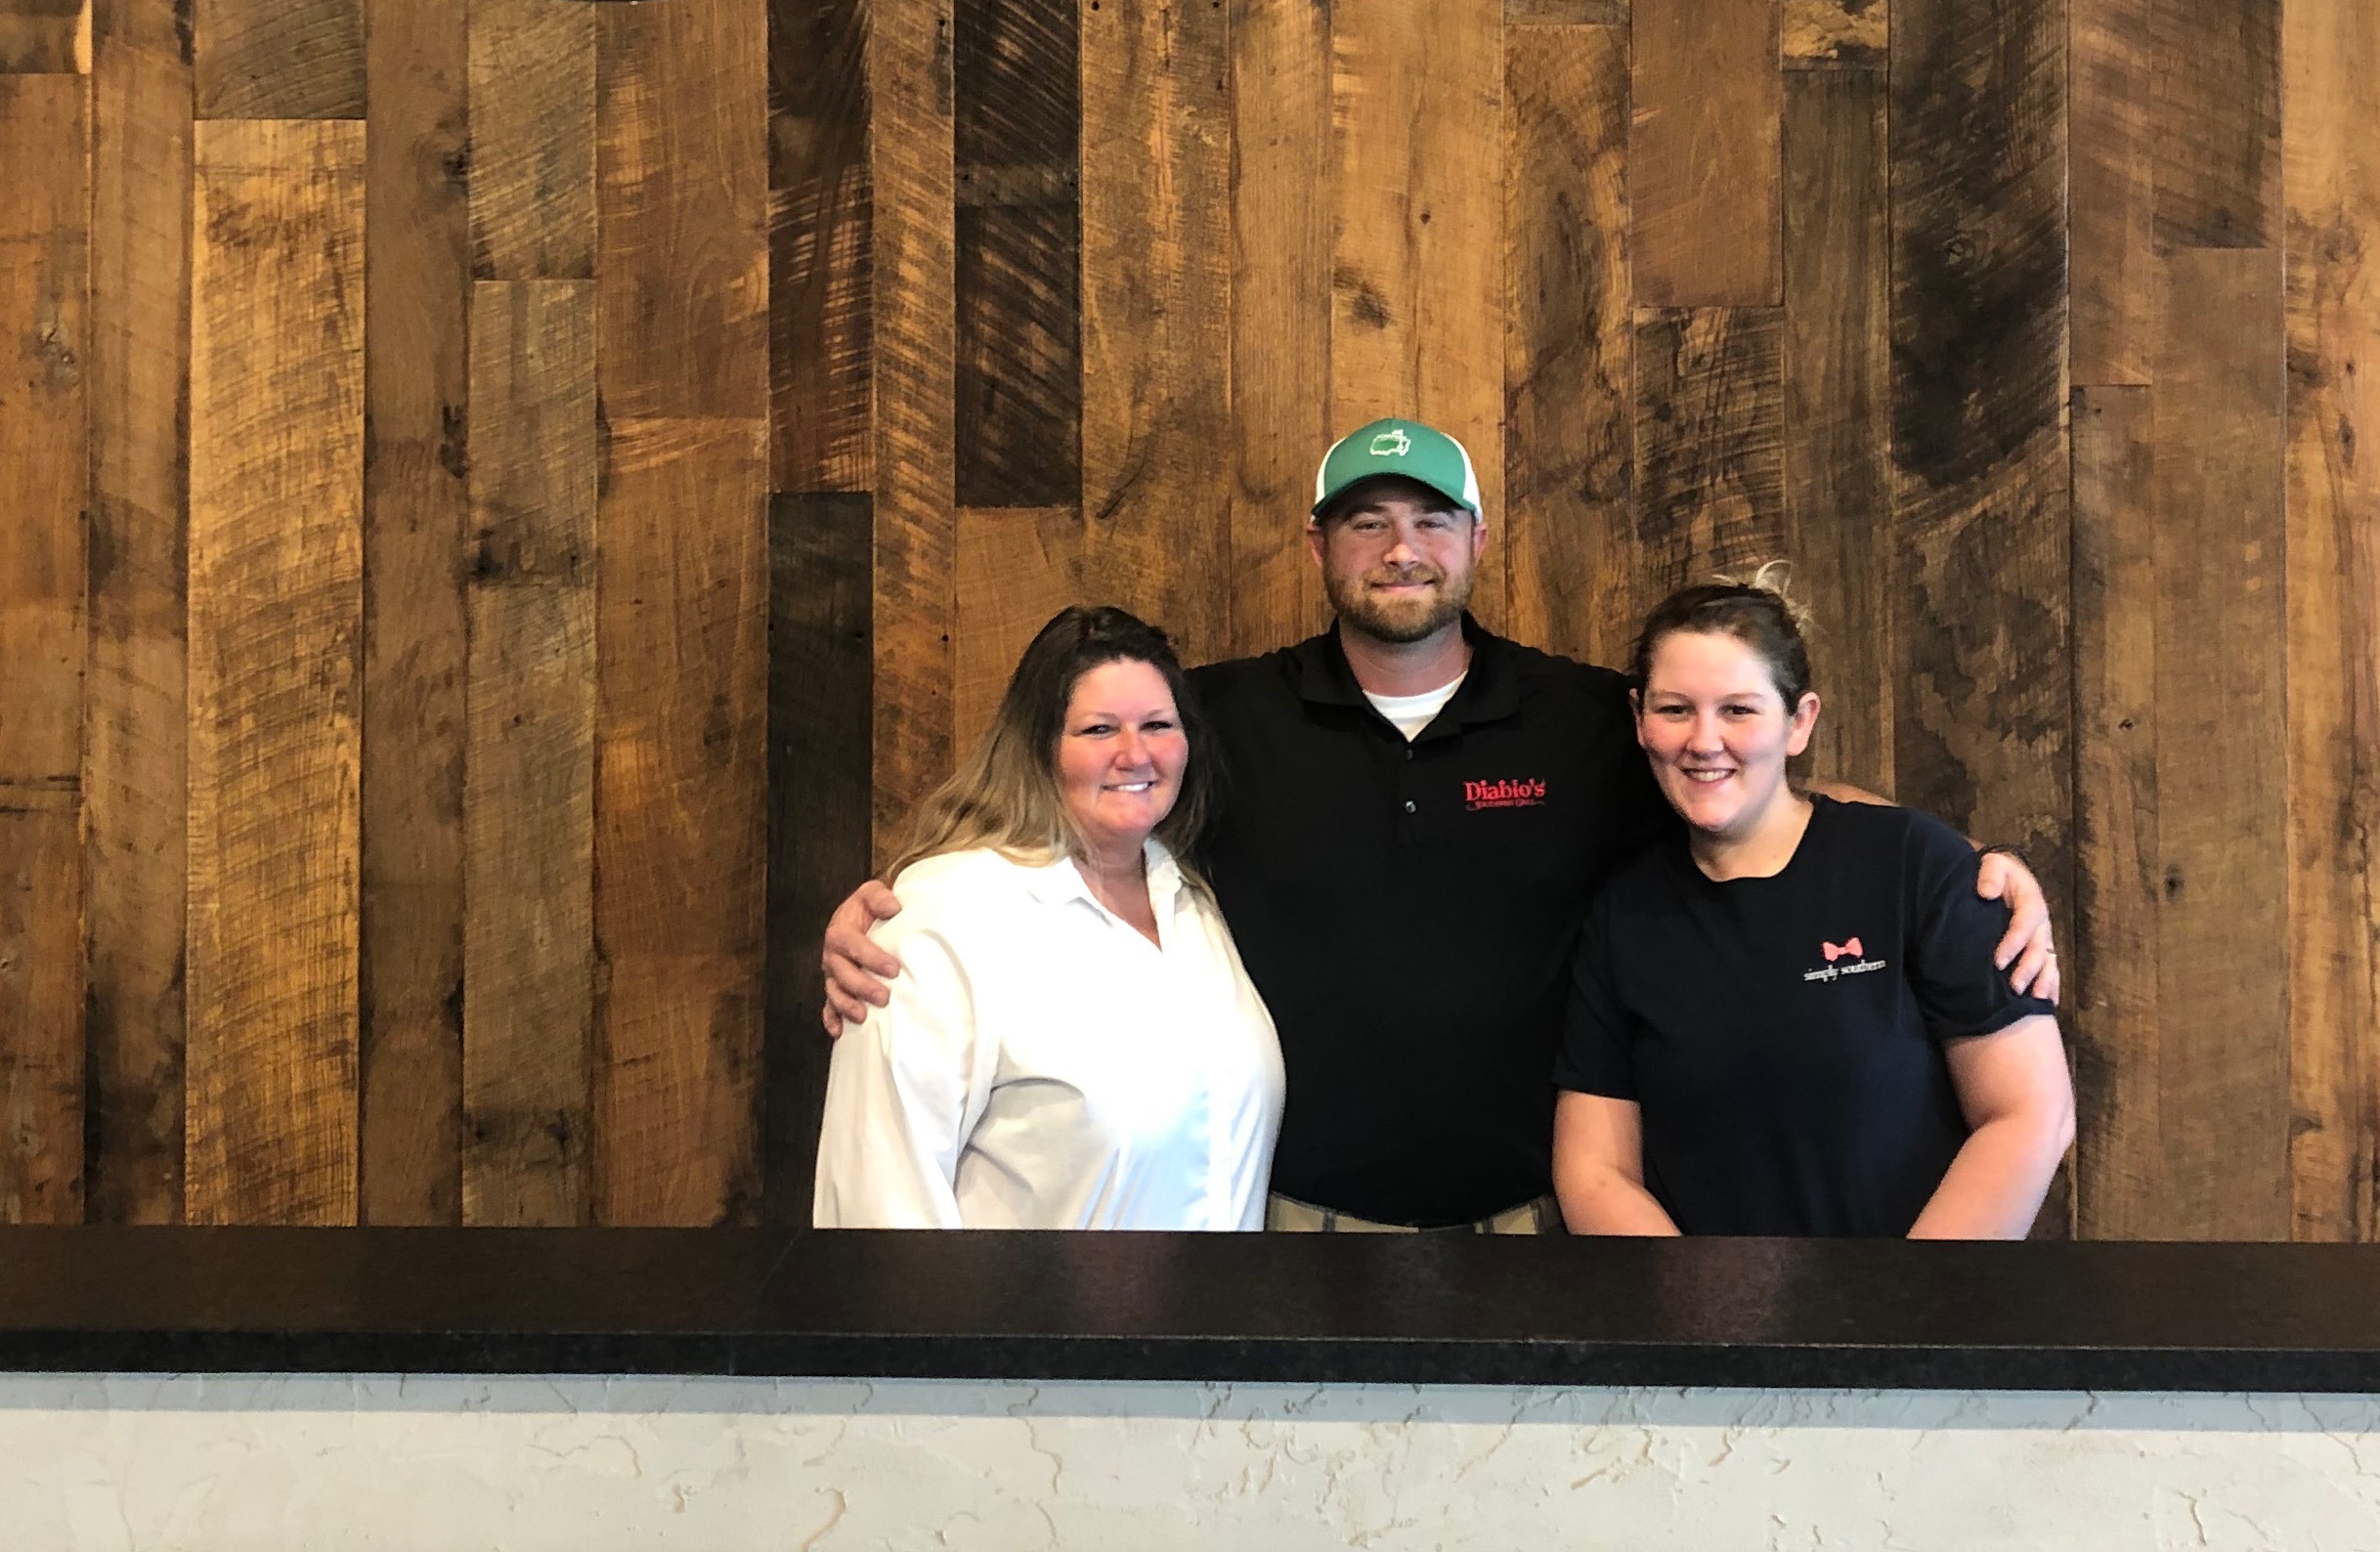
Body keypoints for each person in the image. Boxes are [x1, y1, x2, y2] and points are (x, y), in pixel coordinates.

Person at [823, 417, 2061, 1231]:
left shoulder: (1583, 718)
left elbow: (1748, 792)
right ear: (1319, 543)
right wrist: (901, 908)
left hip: (1534, 1225)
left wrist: (1965, 871)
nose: (1400, 548)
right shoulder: (1223, 718)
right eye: (1367, 520)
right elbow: (1078, 793)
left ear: (1475, 538)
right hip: (1282, 1223)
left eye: (1428, 520)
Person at [1555, 577, 2072, 1237]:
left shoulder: (1911, 865)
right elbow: (1595, 1171)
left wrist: (1907, 1295)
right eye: (1675, 709)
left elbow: (2032, 1115)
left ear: (1798, 722)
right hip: (1697, 1301)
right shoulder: (1625, 912)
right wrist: (1692, 1302)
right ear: (1639, 719)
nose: (1704, 740)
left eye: (1739, 710)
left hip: (1916, 1294)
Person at [811, 604, 1282, 1229]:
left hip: (1222, 1295)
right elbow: (879, 1203)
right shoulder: (943, 918)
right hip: (1024, 1301)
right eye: (1098, 729)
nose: (1135, 753)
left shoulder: (1192, 898)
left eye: (1157, 725)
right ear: (1038, 747)